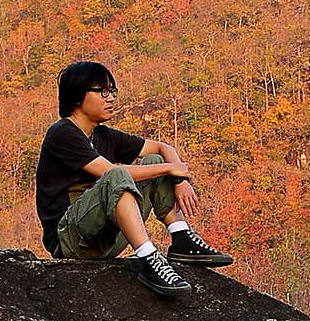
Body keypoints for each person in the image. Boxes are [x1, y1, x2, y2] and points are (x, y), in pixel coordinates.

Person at [34, 60, 232, 298]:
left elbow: (161, 147)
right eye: (102, 92)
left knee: (154, 163)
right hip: (70, 240)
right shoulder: (63, 133)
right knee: (119, 174)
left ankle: (180, 237)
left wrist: (180, 179)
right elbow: (109, 173)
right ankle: (148, 258)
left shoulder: (102, 135)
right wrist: (172, 170)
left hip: (104, 239)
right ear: (77, 97)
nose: (111, 98)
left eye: (112, 91)